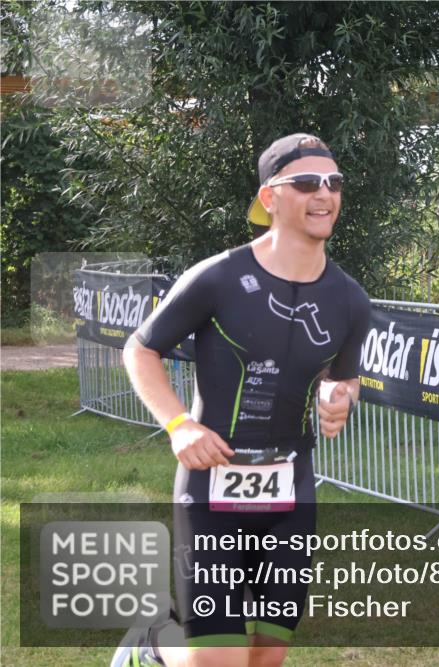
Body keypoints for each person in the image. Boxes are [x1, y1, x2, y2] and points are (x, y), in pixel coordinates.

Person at [115, 133, 371, 667]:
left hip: (291, 494)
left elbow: (345, 380)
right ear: (270, 197)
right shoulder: (219, 278)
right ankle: (152, 645)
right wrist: (180, 425)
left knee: (266, 659)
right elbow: (140, 349)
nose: (324, 194)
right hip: (211, 492)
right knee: (219, 661)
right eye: (306, 182)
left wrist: (339, 395)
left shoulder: (350, 299)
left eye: (334, 182)